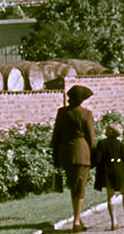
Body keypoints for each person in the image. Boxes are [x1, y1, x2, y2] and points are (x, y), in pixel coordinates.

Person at [51, 85, 96, 232]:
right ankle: (76, 221)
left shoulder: (62, 112)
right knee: (80, 188)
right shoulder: (86, 114)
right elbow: (91, 138)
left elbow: (56, 135)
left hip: (65, 153)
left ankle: (78, 218)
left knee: (73, 186)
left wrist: (55, 155)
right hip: (81, 153)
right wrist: (94, 155)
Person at [94, 123, 124, 230]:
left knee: (111, 196)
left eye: (107, 129)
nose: (105, 130)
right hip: (119, 170)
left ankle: (114, 222)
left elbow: (98, 159)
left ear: (111, 131)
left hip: (108, 171)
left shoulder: (101, 143)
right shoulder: (120, 144)